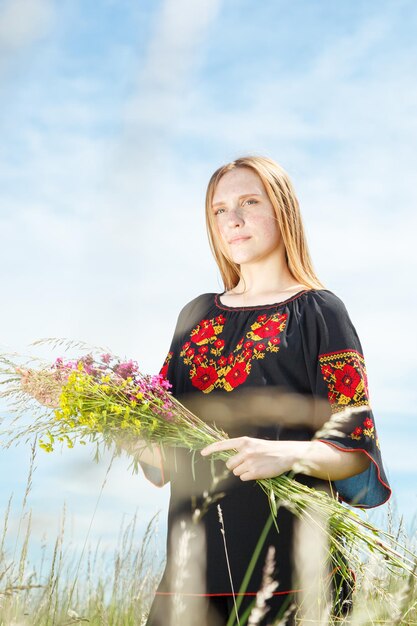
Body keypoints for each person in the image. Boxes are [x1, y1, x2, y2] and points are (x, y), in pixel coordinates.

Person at [139, 156, 391, 626]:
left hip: (295, 572)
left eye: (249, 202)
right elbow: (163, 448)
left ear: (283, 211)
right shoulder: (194, 317)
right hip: (193, 577)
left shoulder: (320, 313)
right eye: (218, 209)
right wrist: (99, 415)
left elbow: (356, 451)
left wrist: (283, 453)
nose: (231, 219)